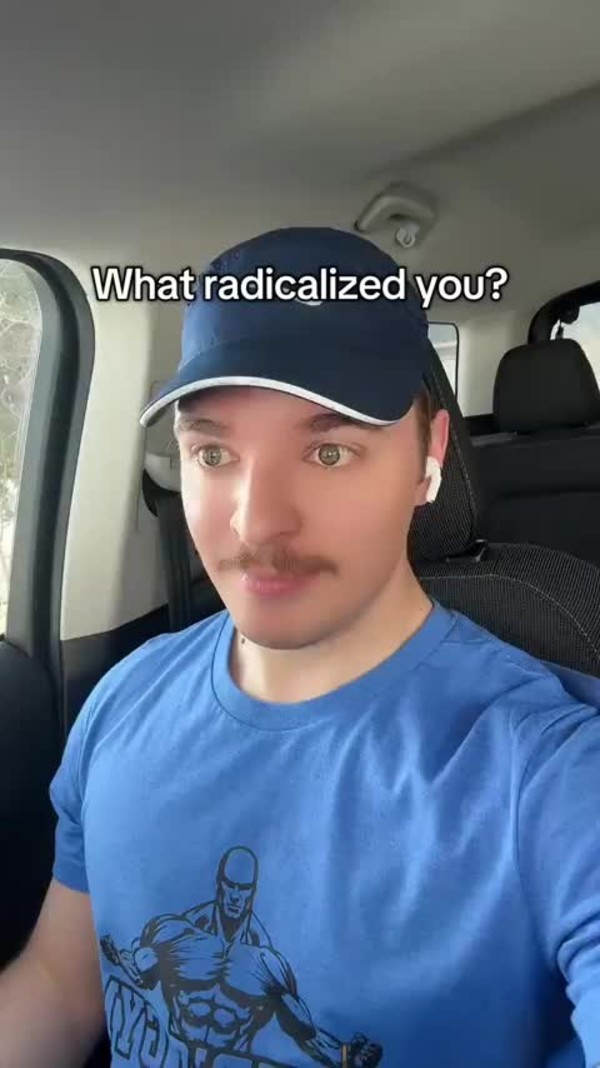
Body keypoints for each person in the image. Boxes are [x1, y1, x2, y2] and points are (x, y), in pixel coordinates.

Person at [0, 226, 599, 1068]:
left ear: (428, 459)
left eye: (329, 451)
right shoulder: (126, 700)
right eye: (214, 452)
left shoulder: (551, 775)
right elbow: (62, 988)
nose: (256, 522)